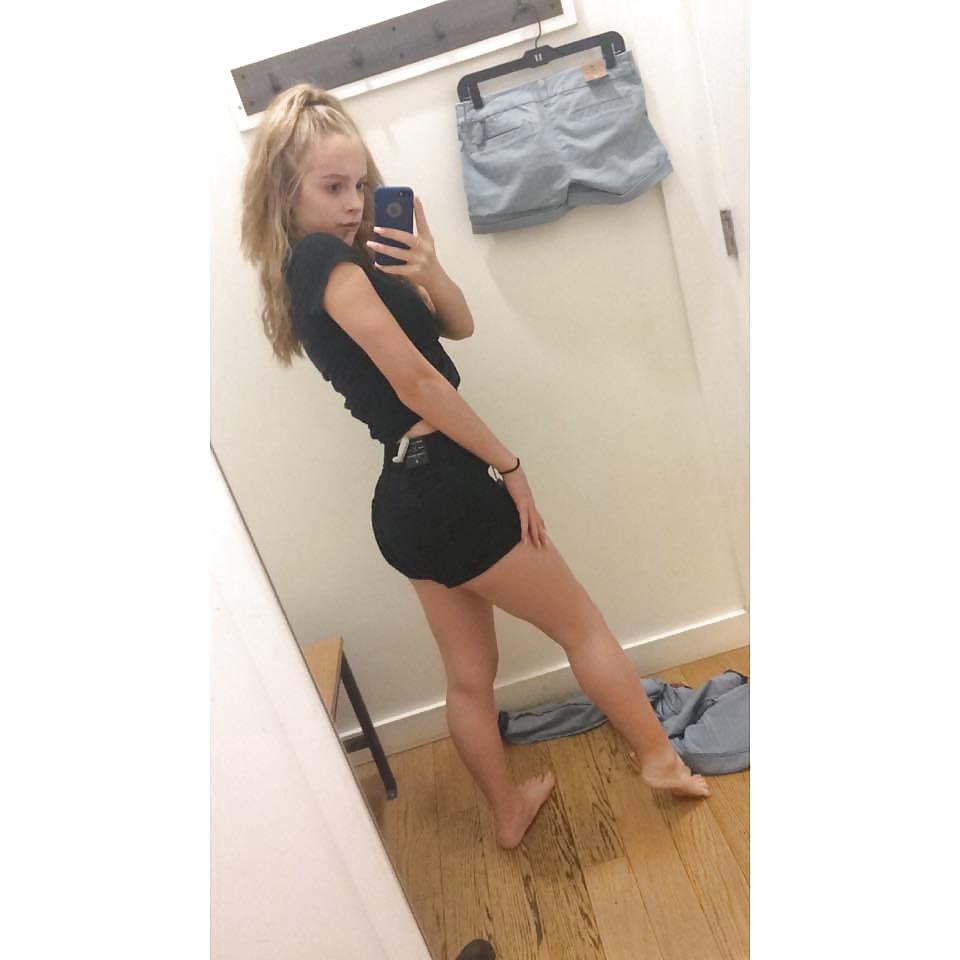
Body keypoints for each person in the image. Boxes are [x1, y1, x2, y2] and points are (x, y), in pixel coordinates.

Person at [239, 83, 709, 851]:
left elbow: (456, 327)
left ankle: (508, 810)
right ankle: (659, 760)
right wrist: (509, 464)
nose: (354, 203)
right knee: (581, 624)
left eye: (360, 184)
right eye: (332, 187)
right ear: (284, 190)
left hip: (407, 499)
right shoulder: (324, 260)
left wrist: (428, 268)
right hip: (448, 485)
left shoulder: (333, 267)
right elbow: (418, 384)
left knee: (468, 674)